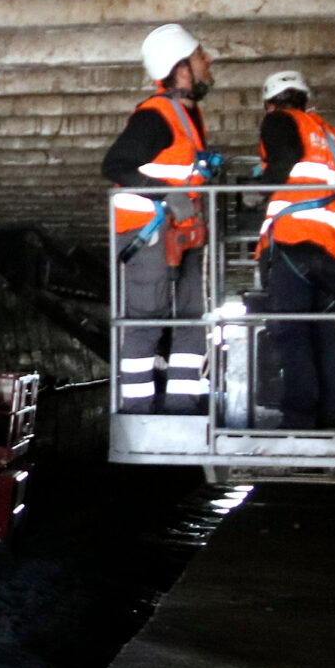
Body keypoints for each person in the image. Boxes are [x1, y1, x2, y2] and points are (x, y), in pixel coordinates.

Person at [102, 24, 219, 415]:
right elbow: (115, 165)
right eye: (200, 56)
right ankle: (137, 415)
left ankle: (183, 407)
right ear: (181, 69)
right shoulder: (155, 117)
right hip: (148, 235)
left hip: (184, 234)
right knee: (144, 321)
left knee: (192, 320)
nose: (208, 60)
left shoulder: (188, 114)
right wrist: (166, 195)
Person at [254, 69, 335, 429]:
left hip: (292, 240)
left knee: (292, 332)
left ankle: (299, 419)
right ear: (304, 97)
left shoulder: (279, 121)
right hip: (330, 249)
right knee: (326, 334)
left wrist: (258, 190)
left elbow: (285, 159)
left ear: (271, 104)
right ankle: (334, 416)